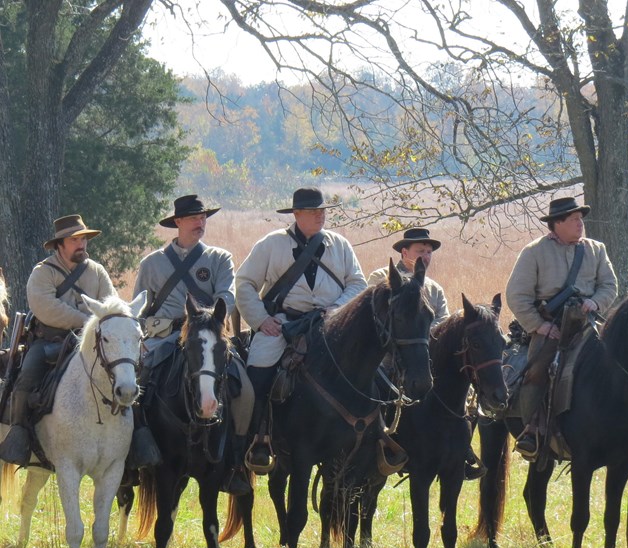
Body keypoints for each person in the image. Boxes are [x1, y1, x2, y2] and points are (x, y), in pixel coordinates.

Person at [0, 215, 156, 467]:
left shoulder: (97, 271)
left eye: (83, 238)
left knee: (127, 376)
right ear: (60, 244)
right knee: (26, 377)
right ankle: (19, 434)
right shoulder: (43, 273)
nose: (81, 244)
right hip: (49, 341)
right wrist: (86, 320)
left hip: (95, 343)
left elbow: (111, 307)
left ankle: (135, 438)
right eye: (75, 239)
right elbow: (45, 307)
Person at [235, 187, 368, 472]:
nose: (320, 215)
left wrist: (336, 311)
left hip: (330, 326)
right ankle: (255, 442)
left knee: (373, 374)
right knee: (255, 376)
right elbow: (244, 283)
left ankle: (372, 440)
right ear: (296, 214)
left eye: (322, 210)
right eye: (313, 211)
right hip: (282, 326)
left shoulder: (340, 245)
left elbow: (358, 284)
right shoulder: (271, 244)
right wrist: (261, 320)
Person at [134, 194, 253, 495]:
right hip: (163, 338)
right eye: (193, 218)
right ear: (177, 222)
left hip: (209, 335)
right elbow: (138, 308)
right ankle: (135, 456)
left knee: (246, 389)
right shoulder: (152, 263)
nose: (200, 222)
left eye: (203, 217)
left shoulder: (219, 258)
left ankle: (236, 461)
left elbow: (227, 295)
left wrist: (209, 320)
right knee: (136, 386)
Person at [368, 227, 485, 480]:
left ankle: (460, 450)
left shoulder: (434, 288)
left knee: (464, 396)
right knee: (376, 389)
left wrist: (426, 341)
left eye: (429, 251)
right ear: (404, 251)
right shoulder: (382, 277)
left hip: (426, 356)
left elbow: (442, 322)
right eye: (421, 250)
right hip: (391, 355)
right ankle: (376, 441)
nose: (426, 256)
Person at [506, 196, 618, 458]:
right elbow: (517, 296)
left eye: (581, 219)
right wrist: (540, 326)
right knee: (536, 371)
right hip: (551, 327)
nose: (581, 225)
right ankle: (533, 429)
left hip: (589, 325)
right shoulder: (534, 252)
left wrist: (595, 301)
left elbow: (609, 286)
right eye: (574, 220)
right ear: (557, 223)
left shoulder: (596, 249)